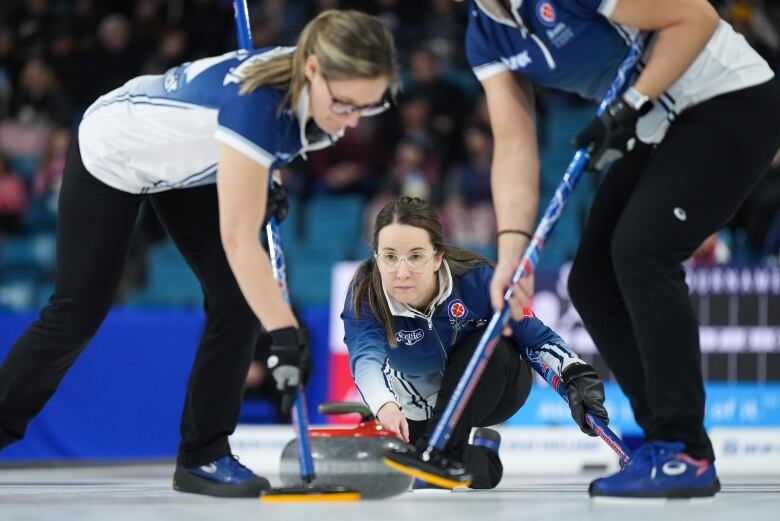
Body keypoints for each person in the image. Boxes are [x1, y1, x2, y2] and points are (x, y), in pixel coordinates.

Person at [0, 9, 398, 498]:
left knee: (234, 302)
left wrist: (264, 173)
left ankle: (203, 454)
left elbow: (263, 142)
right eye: (345, 104)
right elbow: (237, 239)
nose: (353, 120)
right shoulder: (258, 105)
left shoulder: (312, 88)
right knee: (75, 313)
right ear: (312, 70)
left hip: (190, 164)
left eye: (368, 107)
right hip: (116, 152)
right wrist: (285, 332)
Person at [465, 0, 780, 498]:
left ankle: (685, 449)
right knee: (591, 282)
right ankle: (664, 442)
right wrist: (513, 256)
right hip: (656, 124)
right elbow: (515, 145)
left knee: (641, 249)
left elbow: (695, 18)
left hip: (726, 98)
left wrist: (629, 104)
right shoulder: (485, 33)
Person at [341, 196, 608, 489]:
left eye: (416, 256)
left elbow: (536, 338)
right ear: (376, 256)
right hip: (420, 404)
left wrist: (576, 375)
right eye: (389, 257)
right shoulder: (365, 295)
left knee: (489, 339)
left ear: (437, 257)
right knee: (417, 476)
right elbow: (366, 360)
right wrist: (385, 406)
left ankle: (441, 448)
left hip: (494, 388)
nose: (401, 273)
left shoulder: (477, 280)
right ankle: (478, 456)